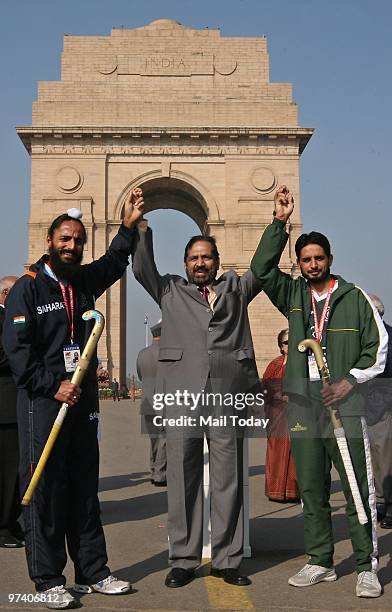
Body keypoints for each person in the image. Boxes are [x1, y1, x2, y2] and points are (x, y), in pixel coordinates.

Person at [3, 188, 144, 609]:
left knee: (84, 488)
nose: (72, 245)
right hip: (42, 403)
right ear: (49, 242)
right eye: (65, 238)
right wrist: (51, 384)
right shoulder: (27, 288)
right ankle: (47, 578)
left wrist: (127, 227)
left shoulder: (80, 281)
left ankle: (92, 571)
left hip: (82, 402)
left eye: (78, 240)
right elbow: (17, 350)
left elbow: (113, 264)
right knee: (45, 489)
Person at [250, 185, 388, 598]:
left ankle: (366, 565)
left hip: (345, 403)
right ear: (299, 263)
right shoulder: (292, 294)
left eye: (318, 258)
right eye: (305, 259)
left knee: (356, 485)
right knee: (311, 487)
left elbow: (378, 349)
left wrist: (351, 380)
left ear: (330, 260)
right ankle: (320, 560)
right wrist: (279, 222)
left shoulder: (354, 297)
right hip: (304, 404)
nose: (312, 264)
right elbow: (260, 268)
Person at [130, 198, 264, 589]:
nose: (200, 263)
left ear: (216, 262)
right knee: (183, 477)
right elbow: (141, 269)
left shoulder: (236, 289)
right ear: (186, 263)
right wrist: (139, 228)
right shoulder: (169, 290)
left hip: (225, 392)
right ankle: (184, 559)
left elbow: (263, 266)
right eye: (194, 258)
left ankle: (227, 559)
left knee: (229, 478)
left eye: (206, 257)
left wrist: (277, 224)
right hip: (182, 396)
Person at [0, 275, 24, 548]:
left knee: (16, 471)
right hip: (3, 408)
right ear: (6, 294)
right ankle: (2, 527)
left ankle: (12, 521)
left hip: (16, 406)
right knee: (5, 473)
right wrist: (25, 356)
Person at [365, 294, 392, 529]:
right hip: (366, 404)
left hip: (381, 405)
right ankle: (380, 502)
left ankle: (386, 504)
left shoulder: (386, 336)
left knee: (383, 455)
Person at [263, 328, 299, 503]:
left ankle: (294, 491)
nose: (289, 346)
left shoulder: (305, 363)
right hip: (277, 415)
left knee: (296, 453)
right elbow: (264, 388)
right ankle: (276, 490)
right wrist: (276, 396)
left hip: (298, 414)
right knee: (277, 452)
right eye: (286, 343)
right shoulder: (275, 365)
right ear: (281, 346)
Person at [137, 321, 167, 486]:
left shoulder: (142, 354)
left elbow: (140, 375)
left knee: (154, 439)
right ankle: (160, 475)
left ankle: (153, 470)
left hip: (147, 401)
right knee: (164, 439)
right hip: (164, 402)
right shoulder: (167, 353)